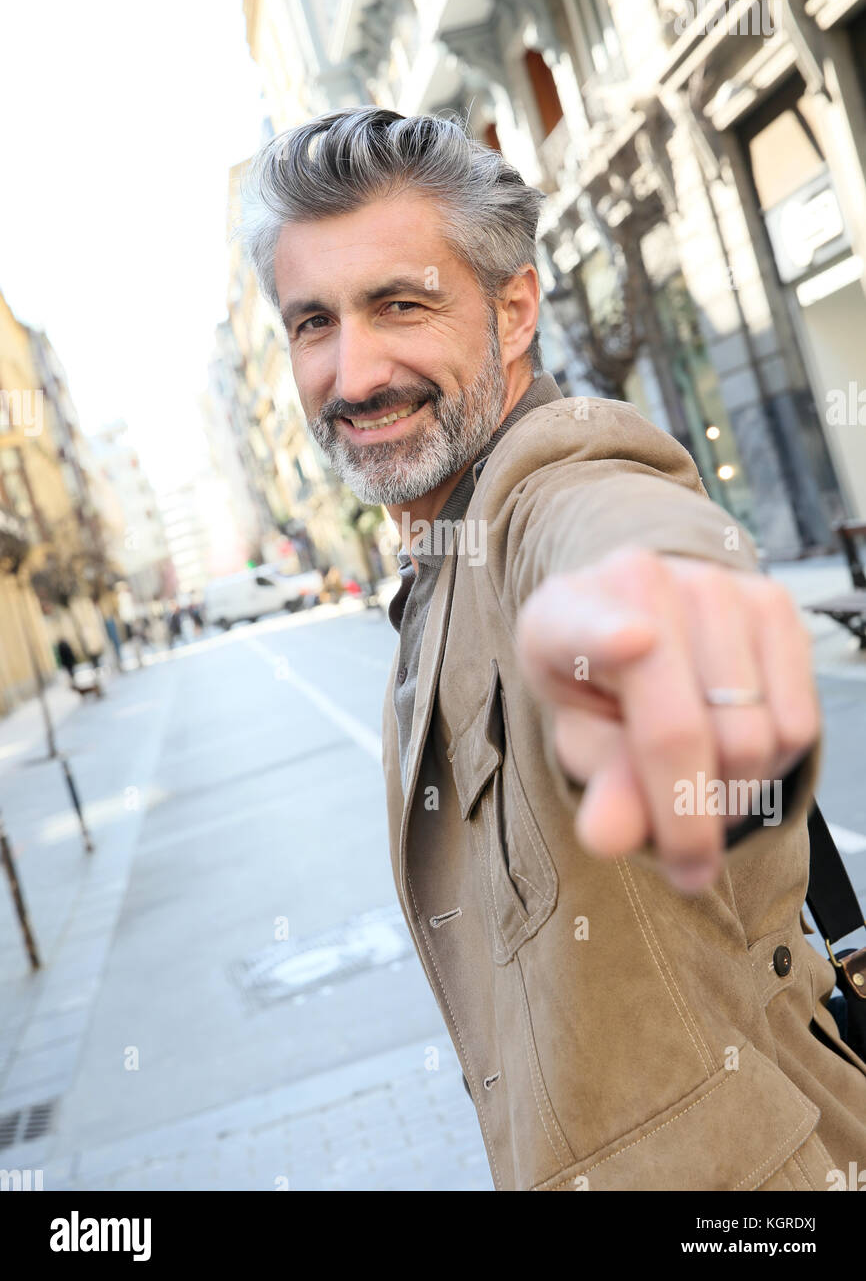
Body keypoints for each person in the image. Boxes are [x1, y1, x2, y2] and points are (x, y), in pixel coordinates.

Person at [240, 107, 866, 1191]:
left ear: (513, 307)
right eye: (313, 322)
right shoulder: (440, 555)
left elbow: (618, 537)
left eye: (400, 304)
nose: (352, 373)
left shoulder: (553, 494)